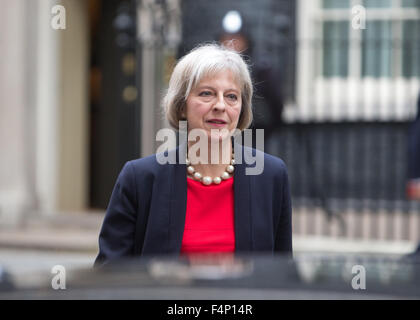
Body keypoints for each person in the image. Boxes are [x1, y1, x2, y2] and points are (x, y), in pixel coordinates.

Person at [94, 44, 292, 267]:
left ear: (242, 108)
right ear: (181, 106)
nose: (220, 105)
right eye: (206, 93)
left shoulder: (271, 176)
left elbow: (282, 277)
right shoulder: (139, 179)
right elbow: (108, 274)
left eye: (231, 96)